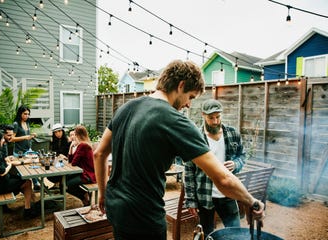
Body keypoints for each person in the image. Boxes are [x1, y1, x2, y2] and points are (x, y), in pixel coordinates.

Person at [93, 60, 264, 240]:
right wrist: (252, 202)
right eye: (191, 96)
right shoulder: (174, 120)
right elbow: (222, 178)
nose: (189, 105)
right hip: (144, 218)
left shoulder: (126, 107)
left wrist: (103, 194)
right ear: (181, 86)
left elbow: (99, 153)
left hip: (116, 210)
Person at [184, 99, 246, 237]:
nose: (215, 121)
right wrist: (191, 201)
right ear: (203, 115)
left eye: (218, 117)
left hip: (229, 193)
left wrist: (236, 164)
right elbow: (188, 172)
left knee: (235, 233)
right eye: (211, 118)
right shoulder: (195, 138)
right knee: (208, 234)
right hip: (205, 196)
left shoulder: (232, 133)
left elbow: (242, 156)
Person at [0, 129, 38, 219]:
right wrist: (9, 165)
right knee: (27, 182)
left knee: (19, 179)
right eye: (1, 139)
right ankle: (27, 210)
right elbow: (2, 173)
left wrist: (5, 160)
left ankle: (6, 206)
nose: (3, 140)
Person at [10, 105, 40, 191]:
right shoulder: (16, 124)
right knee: (22, 171)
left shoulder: (27, 123)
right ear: (20, 114)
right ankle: (23, 188)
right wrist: (25, 137)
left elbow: (27, 135)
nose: (26, 116)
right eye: (25, 114)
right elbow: (12, 139)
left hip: (28, 150)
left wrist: (32, 135)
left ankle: (36, 184)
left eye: (28, 114)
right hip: (19, 152)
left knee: (33, 166)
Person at [67, 125, 96, 206]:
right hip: (83, 172)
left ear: (77, 135)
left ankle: (84, 197)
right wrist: (71, 146)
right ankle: (84, 195)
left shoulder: (82, 145)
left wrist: (74, 146)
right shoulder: (84, 144)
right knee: (65, 179)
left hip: (88, 175)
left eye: (74, 134)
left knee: (67, 184)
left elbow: (73, 162)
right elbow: (71, 160)